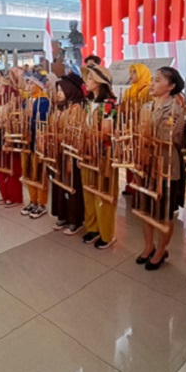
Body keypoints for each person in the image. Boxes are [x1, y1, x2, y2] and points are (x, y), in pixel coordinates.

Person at [135, 67, 186, 270]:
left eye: (158, 80)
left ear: (171, 86)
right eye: (153, 80)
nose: (152, 83)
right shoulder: (146, 107)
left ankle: (161, 249)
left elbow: (168, 138)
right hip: (146, 165)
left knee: (164, 212)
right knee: (146, 209)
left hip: (166, 166)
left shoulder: (174, 110)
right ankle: (149, 246)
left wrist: (146, 138)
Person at [81, 65, 119, 249]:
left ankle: (107, 232)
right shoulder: (89, 103)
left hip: (104, 154)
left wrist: (85, 134)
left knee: (103, 193)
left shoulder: (108, 105)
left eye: (90, 78)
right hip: (88, 152)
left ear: (99, 82)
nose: (86, 81)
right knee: (88, 189)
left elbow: (106, 133)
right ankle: (93, 227)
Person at [50, 73, 86, 233]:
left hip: (70, 152)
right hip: (59, 151)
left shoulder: (76, 108)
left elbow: (75, 133)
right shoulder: (59, 107)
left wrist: (57, 136)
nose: (58, 93)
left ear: (70, 90)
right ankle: (62, 215)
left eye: (61, 89)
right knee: (59, 183)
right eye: (57, 89)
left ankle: (75, 219)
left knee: (72, 184)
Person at [20, 74, 51, 219]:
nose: (29, 86)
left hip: (38, 140)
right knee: (28, 171)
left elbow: (41, 121)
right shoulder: (26, 100)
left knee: (39, 172)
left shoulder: (44, 101)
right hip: (26, 141)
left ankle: (42, 203)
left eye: (32, 84)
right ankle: (32, 200)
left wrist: (29, 119)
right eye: (28, 84)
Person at [0, 68, 24, 207]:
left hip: (10, 136)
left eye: (2, 85)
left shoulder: (14, 100)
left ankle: (13, 195)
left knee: (12, 166)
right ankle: (3, 192)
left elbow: (16, 120)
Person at [122, 63, 153, 196]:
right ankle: (130, 185)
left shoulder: (147, 91)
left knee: (141, 158)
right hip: (130, 127)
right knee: (130, 156)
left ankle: (140, 187)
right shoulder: (130, 91)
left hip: (142, 128)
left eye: (134, 72)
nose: (131, 76)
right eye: (131, 72)